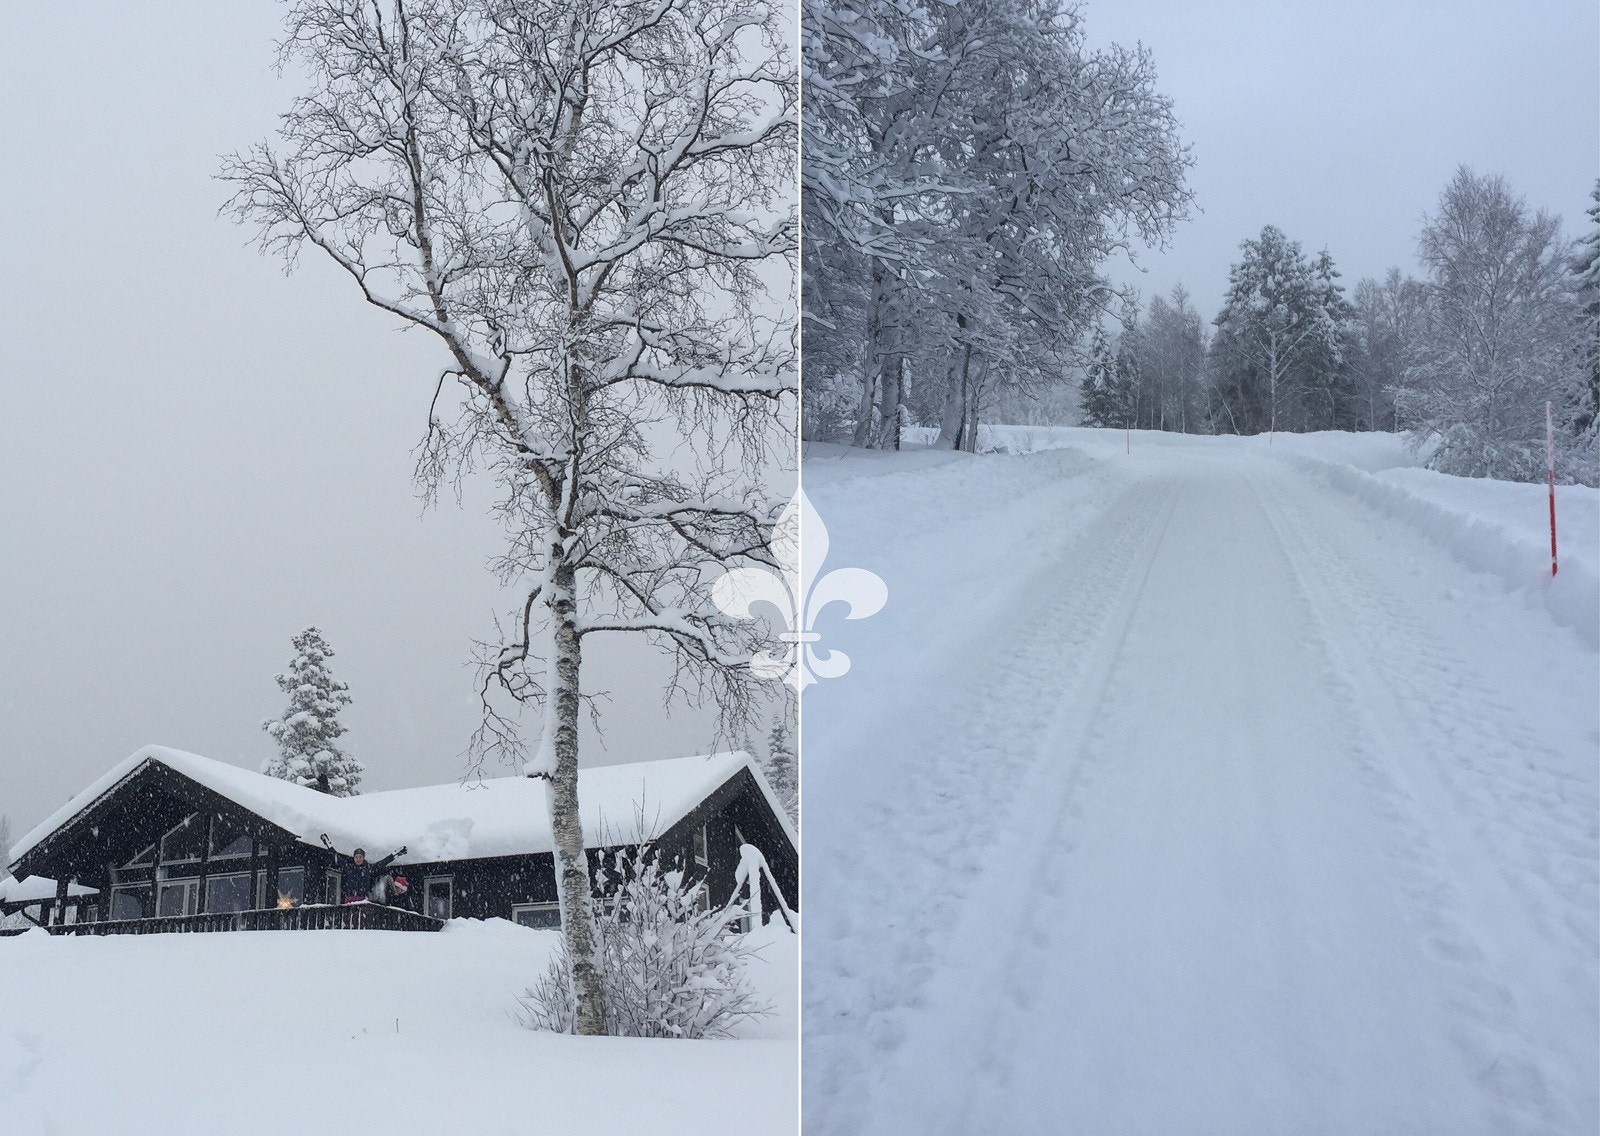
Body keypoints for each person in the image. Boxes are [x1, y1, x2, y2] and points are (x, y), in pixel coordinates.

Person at [333, 845, 405, 904]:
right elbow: (337, 859)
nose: (358, 859)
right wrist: (329, 846)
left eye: (360, 857)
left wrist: (394, 855)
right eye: (356, 857)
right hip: (349, 898)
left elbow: (382, 863)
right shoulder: (349, 867)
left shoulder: (368, 868)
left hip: (362, 899)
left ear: (363, 858)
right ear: (354, 858)